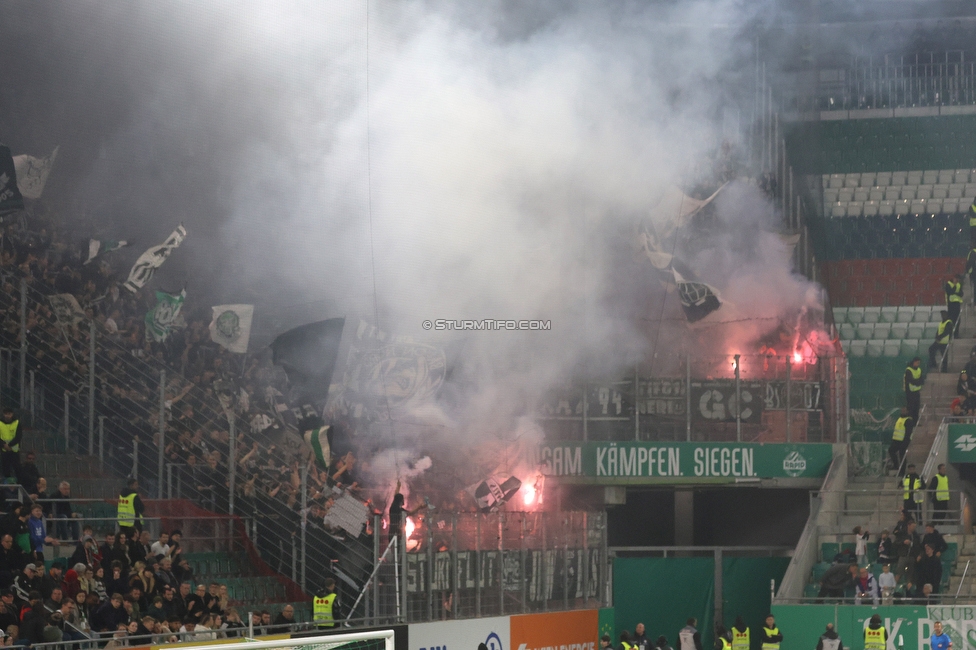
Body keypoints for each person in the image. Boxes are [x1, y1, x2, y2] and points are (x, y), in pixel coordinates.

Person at [895, 520, 920, 586]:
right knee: (899, 572)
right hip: (903, 555)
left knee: (910, 575)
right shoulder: (902, 534)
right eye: (913, 526)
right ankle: (894, 587)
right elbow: (896, 543)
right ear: (908, 526)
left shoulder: (915, 535)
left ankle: (908, 589)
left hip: (912, 556)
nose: (914, 528)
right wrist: (903, 542)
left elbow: (917, 545)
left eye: (914, 527)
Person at [0, 409, 20, 482]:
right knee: (5, 470)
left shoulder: (17, 423)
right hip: (4, 451)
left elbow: (18, 436)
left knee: (17, 470)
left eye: (9, 413)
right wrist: (3, 445)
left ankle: (18, 486)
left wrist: (10, 445)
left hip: (14, 451)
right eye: (6, 414)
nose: (8, 415)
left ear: (12, 414)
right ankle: (6, 488)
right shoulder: (0, 423)